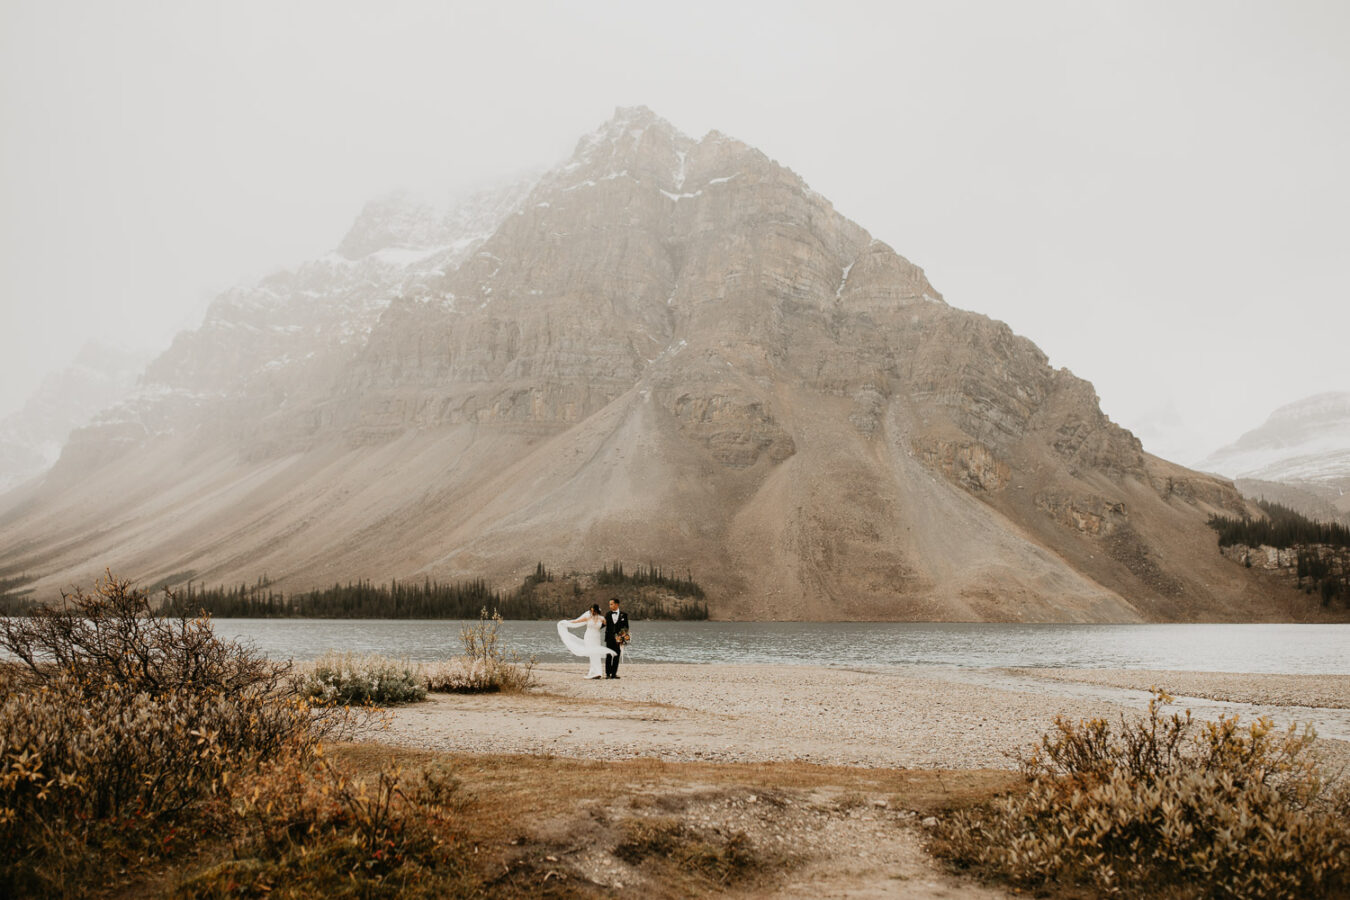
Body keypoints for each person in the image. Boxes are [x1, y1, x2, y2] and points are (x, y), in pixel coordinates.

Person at [557, 603, 613, 679]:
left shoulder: (602, 618)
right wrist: (565, 623)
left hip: (596, 637)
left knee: (596, 653)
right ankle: (594, 672)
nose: (592, 612)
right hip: (589, 637)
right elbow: (576, 621)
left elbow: (609, 625)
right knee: (591, 653)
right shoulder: (587, 617)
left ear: (597, 611)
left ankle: (598, 672)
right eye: (591, 611)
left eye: (593, 611)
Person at [603, 597, 629, 679]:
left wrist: (622, 637)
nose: (610, 606)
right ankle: (607, 674)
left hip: (619, 639)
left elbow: (626, 627)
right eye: (609, 604)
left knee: (616, 656)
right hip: (609, 638)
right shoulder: (607, 614)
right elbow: (603, 625)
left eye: (611, 604)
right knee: (608, 656)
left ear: (617, 604)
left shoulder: (623, 615)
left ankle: (614, 674)